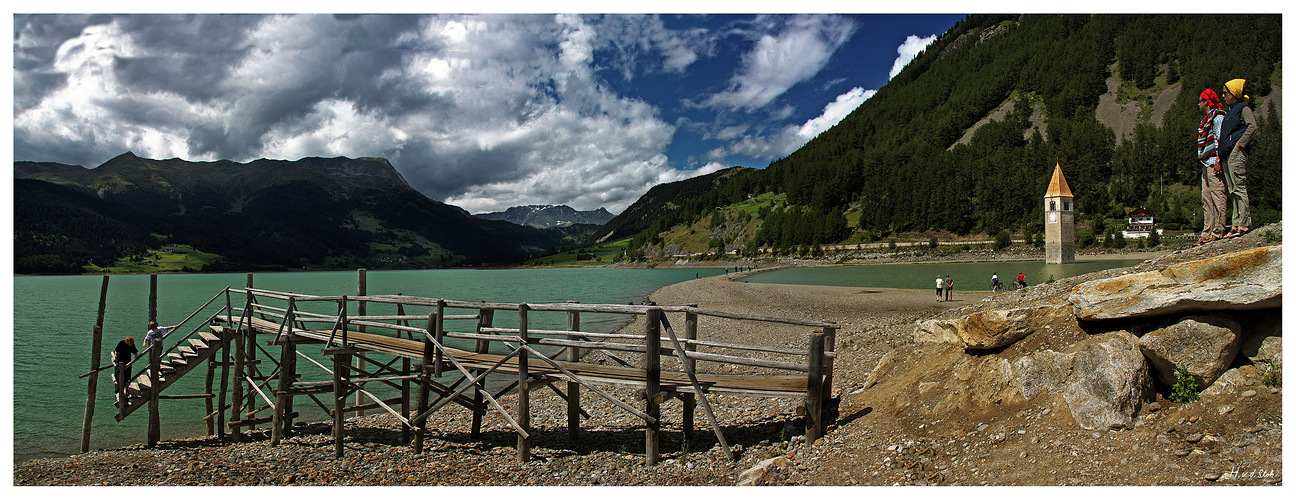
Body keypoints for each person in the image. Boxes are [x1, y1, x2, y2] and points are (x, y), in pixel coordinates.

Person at [1218, 78, 1257, 238]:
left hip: (1236, 152)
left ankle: (1244, 223)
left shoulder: (1243, 108)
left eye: (1226, 93)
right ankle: (1235, 224)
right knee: (1232, 189)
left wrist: (1240, 145)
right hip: (1227, 153)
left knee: (1239, 187)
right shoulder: (1230, 110)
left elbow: (1252, 126)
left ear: (1234, 94)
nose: (1223, 96)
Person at [1196, 88, 1228, 245]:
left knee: (1217, 195)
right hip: (1206, 161)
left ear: (1207, 102)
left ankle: (1219, 230)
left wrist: (1219, 161)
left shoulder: (1218, 116)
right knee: (1206, 198)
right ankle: (1207, 230)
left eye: (1201, 100)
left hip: (1214, 161)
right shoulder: (1206, 118)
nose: (1198, 103)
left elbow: (1220, 139)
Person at [111, 336, 138, 403]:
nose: (130, 345)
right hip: (120, 360)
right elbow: (116, 351)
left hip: (127, 361)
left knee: (127, 377)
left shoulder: (132, 345)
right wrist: (116, 358)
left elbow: (135, 351)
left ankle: (126, 391)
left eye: (131, 344)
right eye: (129, 344)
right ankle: (121, 390)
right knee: (120, 376)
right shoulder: (122, 343)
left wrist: (136, 356)